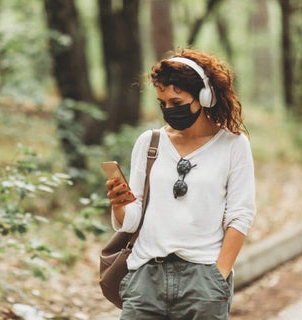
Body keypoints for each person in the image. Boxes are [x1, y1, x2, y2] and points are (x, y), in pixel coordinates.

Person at [105, 48, 256, 320]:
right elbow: (132, 219)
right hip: (145, 277)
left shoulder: (233, 145)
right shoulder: (149, 143)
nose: (168, 110)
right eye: (162, 103)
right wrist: (119, 205)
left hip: (203, 279)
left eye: (176, 102)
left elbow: (240, 215)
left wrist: (218, 276)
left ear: (204, 96)